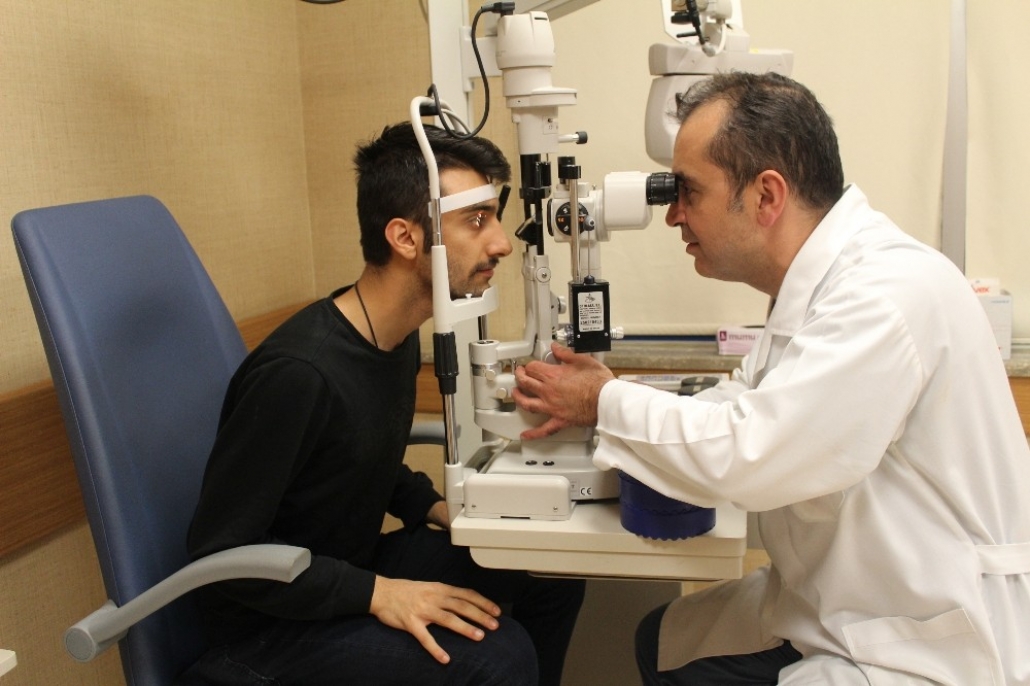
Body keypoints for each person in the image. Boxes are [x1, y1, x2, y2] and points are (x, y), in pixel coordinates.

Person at [512, 72, 1030, 685]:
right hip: (848, 597)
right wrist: (617, 399)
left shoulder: (884, 295)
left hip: (926, 633)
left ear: (766, 196)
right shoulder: (817, 285)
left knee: (680, 662)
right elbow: (743, 398)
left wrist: (605, 400)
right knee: (661, 639)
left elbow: (753, 449)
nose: (674, 215)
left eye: (689, 191)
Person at [179, 122, 584, 686]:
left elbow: (353, 457)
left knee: (550, 568)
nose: (501, 243)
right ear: (405, 238)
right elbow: (222, 552)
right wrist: (378, 594)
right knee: (500, 658)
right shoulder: (299, 374)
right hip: (265, 630)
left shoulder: (393, 340)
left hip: (347, 568)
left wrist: (433, 506)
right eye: (476, 220)